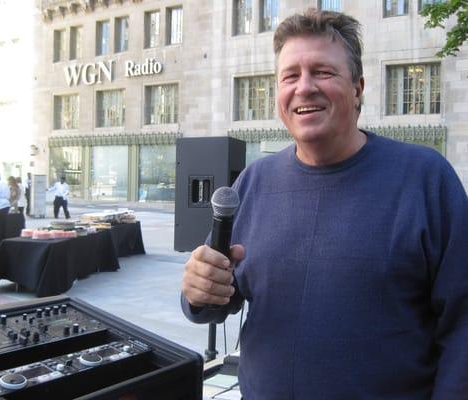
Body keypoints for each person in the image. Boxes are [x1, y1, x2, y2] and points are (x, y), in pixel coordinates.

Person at [181, 9, 468, 400]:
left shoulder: (424, 179)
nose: (304, 87)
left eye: (323, 72)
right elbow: (216, 298)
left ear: (358, 87)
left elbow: (462, 325)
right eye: (290, 76)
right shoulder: (253, 182)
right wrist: (199, 292)